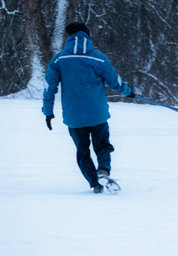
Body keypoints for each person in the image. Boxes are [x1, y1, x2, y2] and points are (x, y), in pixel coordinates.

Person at [42, 22, 135, 193]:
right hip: (97, 114)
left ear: (68, 37)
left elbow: (50, 88)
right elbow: (115, 81)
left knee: (82, 151)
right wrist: (129, 92)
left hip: (74, 117)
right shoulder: (98, 58)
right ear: (87, 36)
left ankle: (95, 184)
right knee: (102, 146)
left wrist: (48, 112)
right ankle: (103, 171)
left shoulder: (59, 59)